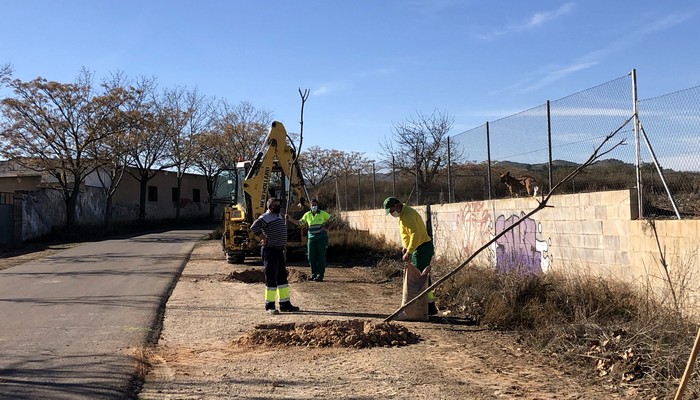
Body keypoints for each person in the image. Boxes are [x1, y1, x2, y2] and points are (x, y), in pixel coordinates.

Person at [383, 197, 438, 316]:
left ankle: (426, 306)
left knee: (420, 278)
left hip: (422, 248)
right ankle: (429, 305)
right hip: (417, 248)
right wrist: (405, 246)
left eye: (392, 211)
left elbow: (415, 235)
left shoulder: (408, 215)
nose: (392, 214)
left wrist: (409, 251)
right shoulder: (403, 215)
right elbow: (407, 234)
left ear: (397, 206)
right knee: (422, 277)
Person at [250, 197, 300, 314]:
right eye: (275, 205)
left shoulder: (278, 216)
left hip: (279, 250)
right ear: (269, 207)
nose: (278, 207)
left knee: (282, 278)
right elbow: (254, 227)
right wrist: (263, 237)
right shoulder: (265, 217)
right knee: (271, 278)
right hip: (270, 250)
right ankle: (270, 305)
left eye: (279, 205)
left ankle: (285, 304)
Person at [286, 197, 335, 282]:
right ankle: (314, 274)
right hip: (311, 238)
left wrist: (327, 227)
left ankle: (320, 275)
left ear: (317, 205)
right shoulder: (307, 215)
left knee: (321, 257)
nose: (313, 206)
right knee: (311, 257)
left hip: (321, 238)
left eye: (315, 205)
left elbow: (332, 219)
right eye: (312, 205)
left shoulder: (322, 213)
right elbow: (299, 223)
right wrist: (290, 219)